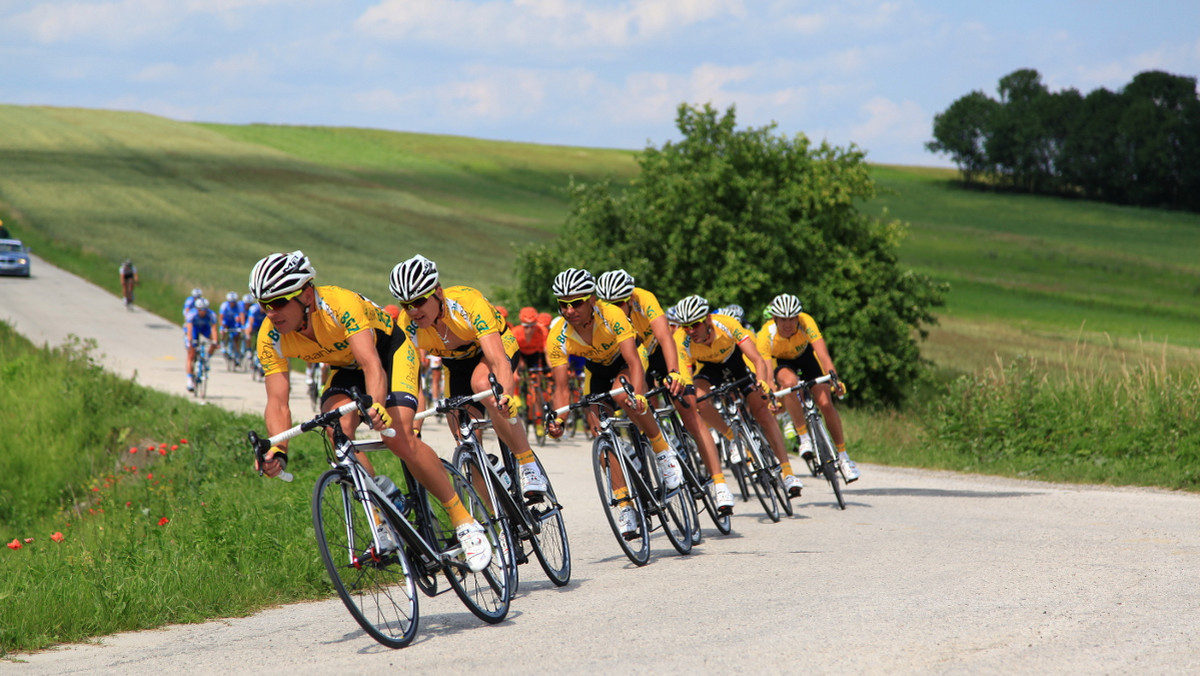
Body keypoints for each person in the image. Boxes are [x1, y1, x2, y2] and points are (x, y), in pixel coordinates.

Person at [248, 250, 491, 572]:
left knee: (398, 436)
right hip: (346, 369)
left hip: (388, 354)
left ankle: (463, 519)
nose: (271, 312)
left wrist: (376, 408)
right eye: (264, 304)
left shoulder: (338, 304)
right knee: (337, 435)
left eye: (279, 302)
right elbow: (277, 399)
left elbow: (372, 365)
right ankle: (383, 508)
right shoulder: (270, 335)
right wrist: (278, 447)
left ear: (306, 294)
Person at [388, 254, 550, 499]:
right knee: (466, 441)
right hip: (455, 365)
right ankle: (498, 523)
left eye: (419, 301)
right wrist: (413, 428)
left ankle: (529, 465)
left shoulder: (468, 303)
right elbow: (413, 382)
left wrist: (505, 395)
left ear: (438, 293)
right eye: (406, 304)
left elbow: (497, 360)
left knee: (483, 383)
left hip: (494, 350)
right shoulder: (407, 325)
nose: (413, 310)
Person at [544, 268, 683, 538]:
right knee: (599, 429)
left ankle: (663, 451)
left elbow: (633, 361)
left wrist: (639, 396)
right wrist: (559, 419)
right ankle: (625, 504)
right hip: (597, 371)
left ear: (592, 300)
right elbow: (562, 388)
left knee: (623, 395)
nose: (569, 310)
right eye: (563, 304)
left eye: (576, 303)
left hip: (626, 361)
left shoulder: (612, 314)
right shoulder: (557, 336)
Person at [596, 269, 735, 514]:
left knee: (688, 409)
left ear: (629, 298)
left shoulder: (644, 298)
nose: (616, 308)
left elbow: (665, 337)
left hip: (661, 351)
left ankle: (720, 483)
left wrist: (673, 372)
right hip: (638, 357)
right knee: (632, 399)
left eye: (620, 303)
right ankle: (656, 448)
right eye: (611, 304)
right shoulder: (604, 315)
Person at [673, 294, 806, 498]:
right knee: (698, 399)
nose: (691, 331)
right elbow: (686, 374)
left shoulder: (727, 324)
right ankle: (733, 438)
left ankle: (788, 473)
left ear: (708, 319)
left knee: (761, 411)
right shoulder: (681, 338)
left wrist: (761, 382)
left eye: (695, 325)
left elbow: (757, 359)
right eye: (686, 327)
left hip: (736, 363)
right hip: (708, 369)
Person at [758, 293, 860, 482]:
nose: (788, 324)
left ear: (798, 317)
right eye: (783, 320)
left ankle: (844, 457)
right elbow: (767, 374)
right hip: (783, 364)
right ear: (775, 319)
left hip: (807, 359)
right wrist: (773, 398)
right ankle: (803, 435)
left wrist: (835, 380)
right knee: (789, 384)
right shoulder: (766, 334)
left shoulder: (806, 322)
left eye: (792, 318)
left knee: (825, 403)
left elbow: (823, 356)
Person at [184, 298, 217, 391]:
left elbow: (214, 329)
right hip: (194, 329)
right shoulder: (191, 314)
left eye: (204, 310)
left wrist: (215, 341)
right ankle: (189, 379)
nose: (202, 312)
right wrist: (190, 342)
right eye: (200, 310)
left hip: (204, 328)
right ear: (196, 309)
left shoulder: (211, 314)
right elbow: (189, 330)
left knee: (214, 343)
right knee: (191, 353)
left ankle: (206, 358)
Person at [218, 291, 246, 363]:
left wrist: (243, 326)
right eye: (230, 302)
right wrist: (221, 327)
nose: (232, 303)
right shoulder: (224, 305)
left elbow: (242, 315)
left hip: (234, 322)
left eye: (233, 302)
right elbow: (221, 317)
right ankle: (223, 343)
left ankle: (237, 352)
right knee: (223, 329)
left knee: (237, 336)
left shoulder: (239, 306)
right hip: (226, 321)